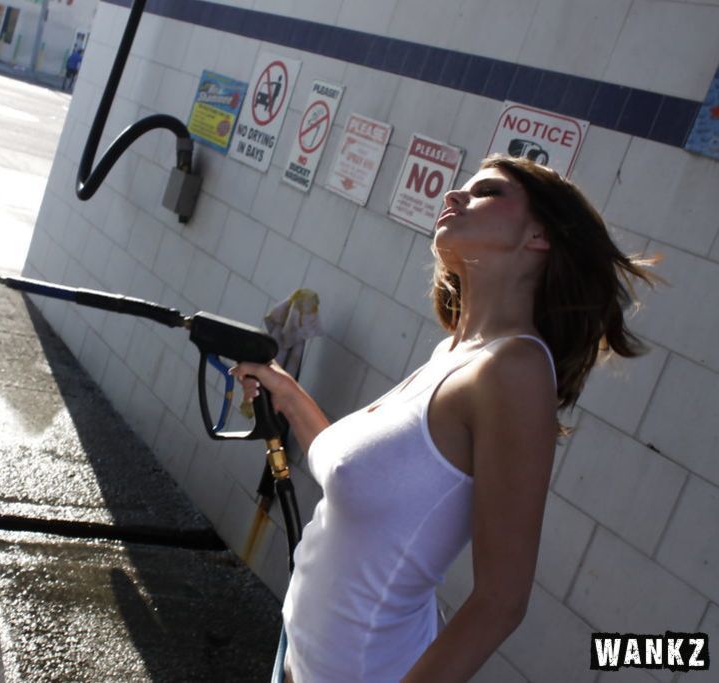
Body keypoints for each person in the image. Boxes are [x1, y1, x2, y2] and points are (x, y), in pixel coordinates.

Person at [231, 155, 659, 682]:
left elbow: (501, 601)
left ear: (539, 235)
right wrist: (287, 392)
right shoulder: (452, 354)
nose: (454, 196)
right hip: (296, 658)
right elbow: (347, 477)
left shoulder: (514, 369)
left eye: (486, 192)